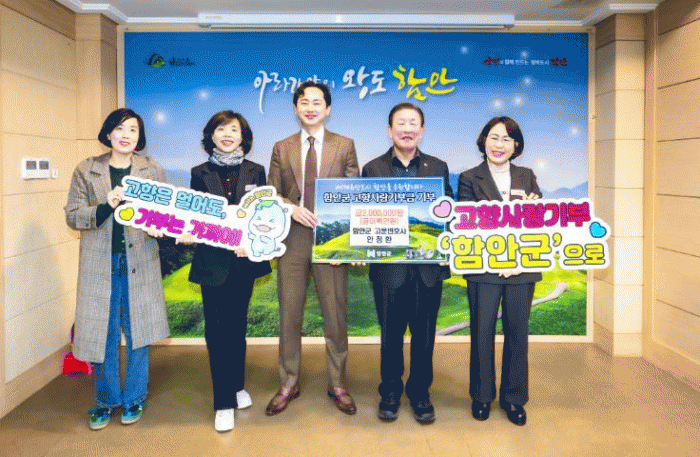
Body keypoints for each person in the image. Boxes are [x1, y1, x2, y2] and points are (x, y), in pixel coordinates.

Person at [65, 108, 170, 430]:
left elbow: (165, 213)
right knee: (104, 333)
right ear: (109, 133)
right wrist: (105, 204)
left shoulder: (151, 169)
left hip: (141, 261)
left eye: (133, 130)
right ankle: (106, 400)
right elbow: (73, 216)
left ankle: (135, 397)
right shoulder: (87, 169)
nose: (126, 135)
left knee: (140, 332)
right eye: (120, 128)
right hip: (101, 264)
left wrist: (160, 226)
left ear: (140, 137)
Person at [266, 81, 360, 416]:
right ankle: (288, 382)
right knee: (289, 314)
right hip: (292, 238)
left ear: (327, 108)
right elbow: (272, 193)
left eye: (317, 102)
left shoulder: (344, 145)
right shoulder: (282, 147)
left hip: (331, 237)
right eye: (304, 102)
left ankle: (338, 383)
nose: (310, 107)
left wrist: (340, 227)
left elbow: (353, 190)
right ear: (295, 108)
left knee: (335, 314)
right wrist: (291, 208)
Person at [362, 103, 453, 424]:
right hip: (389, 269)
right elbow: (363, 215)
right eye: (401, 123)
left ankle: (420, 392)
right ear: (390, 130)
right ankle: (390, 391)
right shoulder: (372, 169)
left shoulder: (438, 167)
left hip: (428, 269)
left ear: (421, 131)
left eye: (413, 123)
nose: (407, 129)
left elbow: (448, 211)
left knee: (425, 335)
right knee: (390, 335)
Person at [181, 110, 272, 432]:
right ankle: (222, 402)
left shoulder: (256, 171)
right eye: (221, 129)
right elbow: (195, 216)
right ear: (211, 136)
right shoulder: (199, 173)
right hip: (213, 263)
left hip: (244, 262)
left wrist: (253, 241)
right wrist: (188, 231)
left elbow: (263, 214)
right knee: (217, 332)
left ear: (243, 135)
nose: (227, 135)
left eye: (233, 129)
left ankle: (236, 385)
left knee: (236, 329)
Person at [457, 116, 541, 426]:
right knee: (482, 333)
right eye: (494, 137)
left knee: (518, 332)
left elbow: (540, 221)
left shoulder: (526, 176)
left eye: (507, 139)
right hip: (484, 269)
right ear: (483, 141)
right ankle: (482, 396)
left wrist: (534, 208)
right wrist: (497, 261)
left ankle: (514, 398)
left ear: (516, 145)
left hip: (521, 268)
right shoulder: (469, 178)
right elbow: (465, 224)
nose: (499, 144)